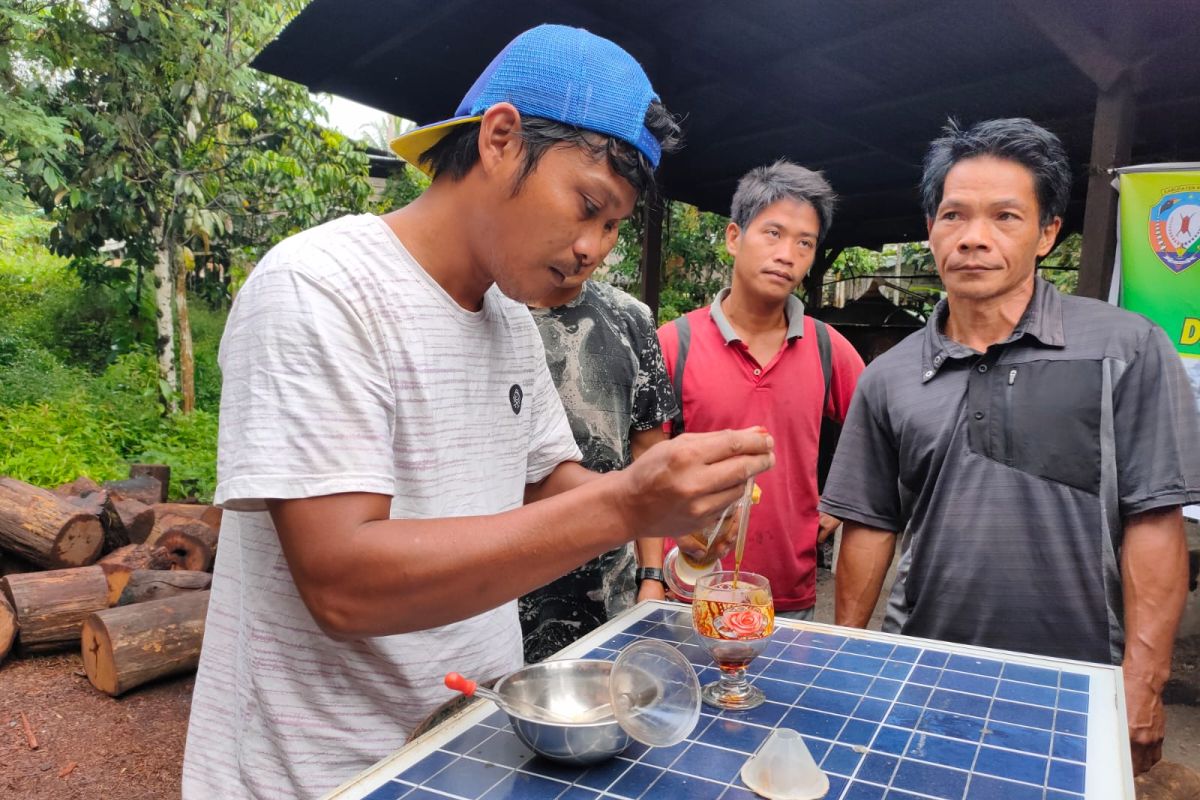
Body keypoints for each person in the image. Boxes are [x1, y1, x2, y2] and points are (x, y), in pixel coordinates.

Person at [181, 25, 774, 800]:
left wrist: (672, 507)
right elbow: (343, 585)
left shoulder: (506, 319)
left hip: (472, 741)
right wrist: (626, 502)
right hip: (323, 775)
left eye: (613, 226)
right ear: (499, 139)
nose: (594, 247)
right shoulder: (320, 286)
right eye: (587, 205)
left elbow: (549, 486)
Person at [821, 117, 1200, 775]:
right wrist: (850, 662)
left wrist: (1144, 681)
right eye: (953, 216)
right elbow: (871, 524)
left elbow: (1153, 519)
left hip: (1080, 683)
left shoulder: (1126, 347)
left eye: (1004, 216)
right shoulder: (888, 374)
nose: (974, 238)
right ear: (931, 228)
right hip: (922, 675)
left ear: (1047, 232)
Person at [657, 160, 864, 619]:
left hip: (787, 597)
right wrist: (651, 579)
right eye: (773, 233)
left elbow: (881, 433)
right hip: (690, 591)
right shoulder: (675, 344)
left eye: (804, 243)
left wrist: (839, 502)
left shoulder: (829, 349)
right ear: (734, 237)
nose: (787, 253)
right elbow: (643, 468)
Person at [519, 257, 677, 663]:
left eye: (610, 224)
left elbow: (649, 452)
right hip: (504, 585)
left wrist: (652, 575)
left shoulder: (631, 318)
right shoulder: (494, 311)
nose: (588, 246)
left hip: (609, 586)